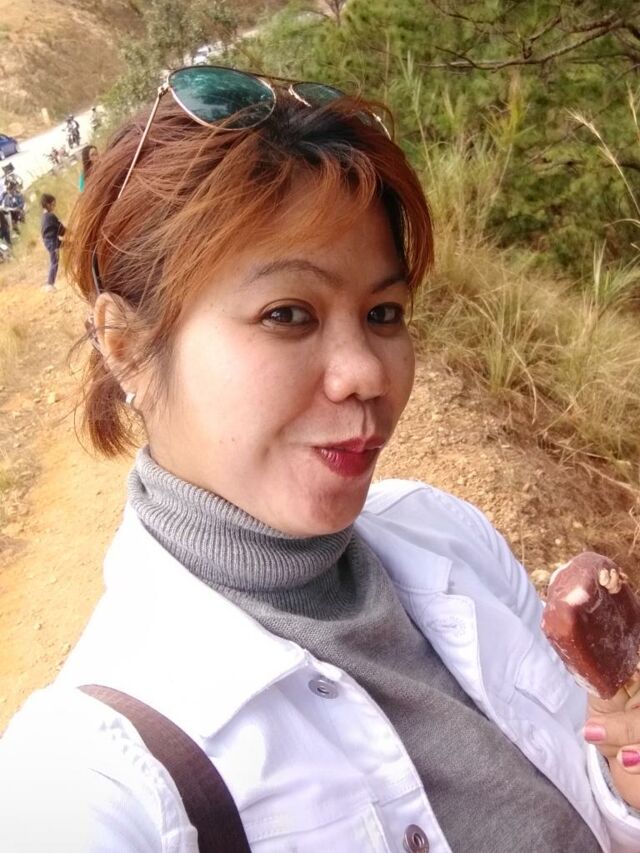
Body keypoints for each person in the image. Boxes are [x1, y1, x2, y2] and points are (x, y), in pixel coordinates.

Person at [0, 66, 639, 852]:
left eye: (384, 312)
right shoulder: (88, 779)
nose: (367, 371)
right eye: (287, 313)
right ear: (127, 345)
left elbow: (584, 792)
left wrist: (624, 790)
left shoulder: (452, 535)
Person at [40, 193, 65, 292]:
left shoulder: (44, 216)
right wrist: (70, 232)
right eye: (53, 204)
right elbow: (61, 229)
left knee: (70, 245)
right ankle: (50, 284)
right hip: (52, 242)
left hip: (50, 241)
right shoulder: (50, 216)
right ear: (48, 204)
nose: (54, 207)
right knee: (54, 262)